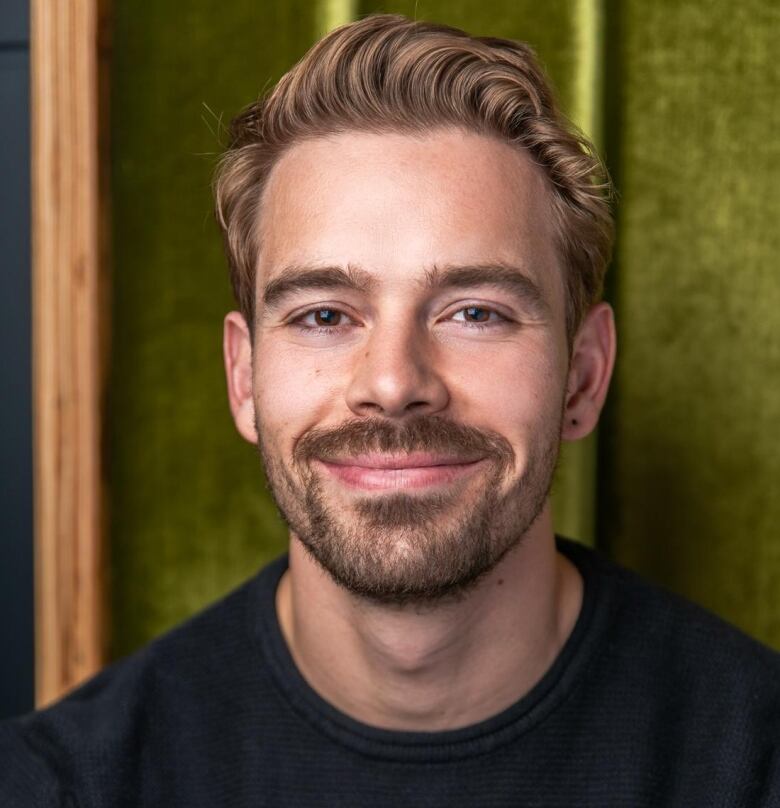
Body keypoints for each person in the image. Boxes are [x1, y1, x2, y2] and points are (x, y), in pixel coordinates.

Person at [3, 13, 779, 807]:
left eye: (474, 312)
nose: (393, 381)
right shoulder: (63, 785)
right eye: (324, 316)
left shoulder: (755, 763)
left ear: (583, 375)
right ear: (243, 378)